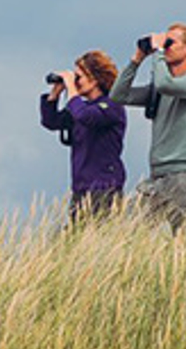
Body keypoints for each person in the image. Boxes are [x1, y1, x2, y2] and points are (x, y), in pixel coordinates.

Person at [109, 22, 186, 230]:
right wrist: (136, 60)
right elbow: (118, 96)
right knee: (126, 233)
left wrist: (156, 51)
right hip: (157, 177)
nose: (165, 47)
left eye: (170, 42)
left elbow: (167, 84)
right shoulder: (158, 89)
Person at [39, 50, 128, 222]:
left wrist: (71, 88)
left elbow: (86, 116)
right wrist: (55, 94)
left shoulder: (112, 105)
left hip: (105, 188)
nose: (75, 82)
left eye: (79, 77)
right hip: (81, 189)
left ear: (95, 79)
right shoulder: (80, 108)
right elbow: (50, 122)